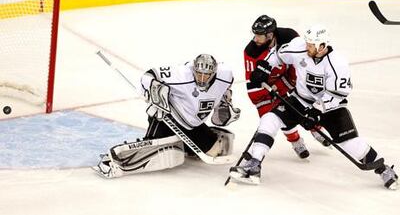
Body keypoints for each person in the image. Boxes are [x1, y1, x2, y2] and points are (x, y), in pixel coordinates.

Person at [230, 24, 398, 189]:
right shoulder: (299, 47)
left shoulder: (338, 63)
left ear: (322, 46)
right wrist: (264, 67)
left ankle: (384, 170)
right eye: (307, 42)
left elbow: (339, 94)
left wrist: (316, 112)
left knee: (350, 143)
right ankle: (254, 164)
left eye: (311, 44)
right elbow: (278, 55)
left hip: (331, 107)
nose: (307, 46)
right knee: (269, 119)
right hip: (300, 99)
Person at [93, 54, 241, 178]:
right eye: (199, 73)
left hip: (192, 125)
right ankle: (112, 162)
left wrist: (225, 102)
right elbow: (149, 75)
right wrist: (155, 92)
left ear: (214, 73)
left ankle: (182, 145)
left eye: (206, 75)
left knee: (217, 149)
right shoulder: (181, 74)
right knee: (157, 153)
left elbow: (226, 86)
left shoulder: (225, 74)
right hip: (167, 118)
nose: (202, 78)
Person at [243, 15, 329, 160]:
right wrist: (267, 91)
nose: (255, 39)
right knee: (277, 116)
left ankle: (316, 129)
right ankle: (296, 141)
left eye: (259, 36)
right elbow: (252, 82)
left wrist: (284, 84)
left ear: (270, 35)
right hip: (264, 89)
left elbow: (300, 61)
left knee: (300, 106)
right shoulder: (252, 51)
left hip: (290, 77)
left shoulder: (289, 37)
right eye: (255, 35)